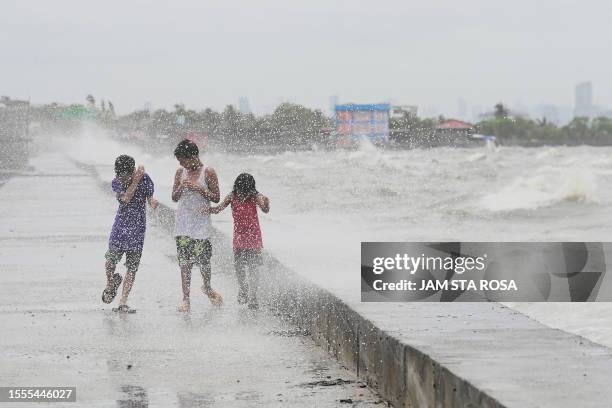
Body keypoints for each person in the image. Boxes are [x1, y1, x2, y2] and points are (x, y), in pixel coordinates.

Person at [204, 173, 270, 309]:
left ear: (251, 189)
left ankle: (253, 297)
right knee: (239, 267)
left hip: (253, 238)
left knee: (253, 268)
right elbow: (218, 209)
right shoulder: (231, 196)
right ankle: (243, 288)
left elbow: (265, 209)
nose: (242, 193)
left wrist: (266, 203)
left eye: (245, 190)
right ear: (236, 187)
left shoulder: (255, 196)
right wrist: (208, 209)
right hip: (239, 238)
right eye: (240, 190)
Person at [172, 139, 223, 312]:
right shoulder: (180, 172)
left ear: (193, 156)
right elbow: (174, 197)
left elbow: (216, 197)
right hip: (183, 224)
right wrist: (180, 187)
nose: (181, 164)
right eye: (179, 162)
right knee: (185, 262)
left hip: (201, 225)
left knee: (204, 262)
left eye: (183, 160)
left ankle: (207, 287)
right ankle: (186, 299)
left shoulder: (208, 172)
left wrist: (198, 188)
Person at [103, 155, 158, 313]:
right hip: (120, 228)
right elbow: (126, 199)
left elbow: (150, 197)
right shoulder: (116, 183)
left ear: (132, 171)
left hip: (138, 230)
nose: (121, 179)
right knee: (110, 260)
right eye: (119, 175)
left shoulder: (145, 179)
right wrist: (134, 180)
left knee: (132, 267)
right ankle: (110, 284)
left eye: (124, 176)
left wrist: (152, 201)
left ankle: (123, 301)